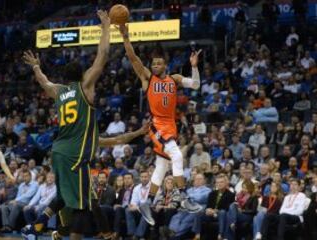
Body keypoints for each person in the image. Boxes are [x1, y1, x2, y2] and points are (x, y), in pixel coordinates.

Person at [21, 10, 111, 240]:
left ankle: (35, 227)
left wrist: (35, 66)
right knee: (81, 204)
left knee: (64, 195)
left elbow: (43, 81)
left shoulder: (59, 91)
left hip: (59, 151)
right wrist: (106, 27)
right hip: (75, 154)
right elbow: (103, 55)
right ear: (82, 75)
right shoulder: (86, 87)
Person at [117, 22, 202, 226]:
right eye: (153, 63)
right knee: (177, 155)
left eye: (158, 63)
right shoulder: (147, 78)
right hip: (156, 125)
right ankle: (183, 196)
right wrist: (125, 37)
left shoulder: (175, 79)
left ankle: (146, 202)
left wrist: (194, 67)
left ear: (165, 65)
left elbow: (196, 85)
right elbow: (133, 58)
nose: (154, 65)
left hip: (171, 125)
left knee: (162, 167)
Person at [24, 126, 149, 240]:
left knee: (87, 210)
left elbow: (118, 140)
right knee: (73, 216)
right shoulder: (71, 140)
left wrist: (139, 132)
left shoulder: (91, 139)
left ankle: (37, 227)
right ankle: (39, 227)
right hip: (69, 175)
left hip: (80, 177)